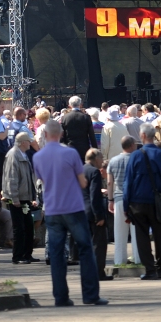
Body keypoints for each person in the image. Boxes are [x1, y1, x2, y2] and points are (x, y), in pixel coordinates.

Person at [33, 119, 107, 306]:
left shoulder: (37, 157)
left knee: (57, 254)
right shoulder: (70, 153)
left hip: (52, 209)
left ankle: (61, 297)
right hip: (73, 207)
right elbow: (83, 182)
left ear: (45, 134)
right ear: (61, 134)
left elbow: (41, 178)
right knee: (85, 249)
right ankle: (90, 295)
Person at [124, 122, 161, 280]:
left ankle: (150, 269)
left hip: (137, 201)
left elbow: (128, 182)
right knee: (159, 234)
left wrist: (126, 205)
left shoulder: (136, 155)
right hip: (157, 200)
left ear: (143, 135)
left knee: (142, 237)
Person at [3, 131, 37, 264]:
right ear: (23, 142)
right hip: (17, 198)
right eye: (28, 141)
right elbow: (12, 178)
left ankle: (27, 254)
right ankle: (17, 256)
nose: (30, 143)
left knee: (28, 227)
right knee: (19, 228)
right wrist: (14, 197)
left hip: (25, 197)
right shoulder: (13, 155)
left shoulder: (23, 154)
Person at [107, 136, 139, 266]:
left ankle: (119, 260)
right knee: (136, 231)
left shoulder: (113, 161)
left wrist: (110, 199)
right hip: (135, 199)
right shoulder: (136, 159)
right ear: (131, 145)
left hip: (119, 197)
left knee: (119, 232)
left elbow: (110, 182)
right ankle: (138, 258)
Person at [83, 148, 111, 280]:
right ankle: (98, 273)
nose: (102, 160)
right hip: (93, 212)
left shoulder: (80, 170)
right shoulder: (94, 172)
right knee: (99, 244)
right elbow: (94, 195)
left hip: (81, 211)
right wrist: (99, 216)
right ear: (95, 158)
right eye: (101, 157)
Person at [60, 96, 97, 161]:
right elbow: (91, 135)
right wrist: (95, 150)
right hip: (84, 150)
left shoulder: (65, 118)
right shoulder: (86, 117)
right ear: (81, 104)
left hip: (69, 149)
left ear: (70, 105)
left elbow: (62, 136)